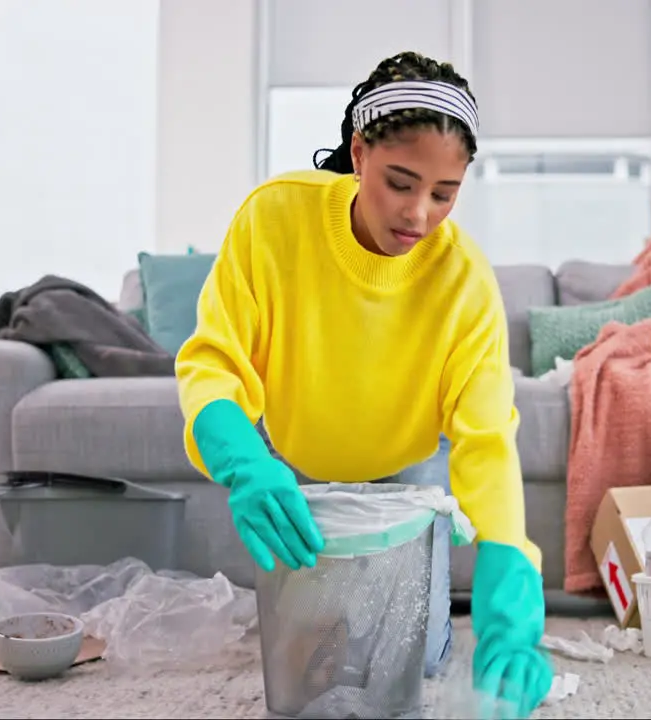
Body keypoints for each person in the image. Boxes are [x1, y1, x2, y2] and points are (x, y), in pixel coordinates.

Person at [174, 51, 552, 717]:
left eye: (444, 193)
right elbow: (214, 365)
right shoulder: (274, 218)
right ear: (359, 151)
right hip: (294, 474)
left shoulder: (463, 281)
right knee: (310, 669)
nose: (419, 214)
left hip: (407, 481)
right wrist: (245, 465)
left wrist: (512, 618)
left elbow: (487, 443)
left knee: (409, 660)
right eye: (400, 183)